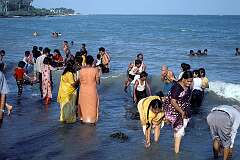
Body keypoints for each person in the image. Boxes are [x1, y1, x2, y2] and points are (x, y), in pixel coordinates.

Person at [163, 71, 193, 153]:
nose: (190, 83)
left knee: (178, 129)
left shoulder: (187, 86)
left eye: (191, 81)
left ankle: (175, 146)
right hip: (173, 110)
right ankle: (176, 153)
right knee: (180, 130)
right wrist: (182, 112)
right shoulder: (177, 87)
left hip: (183, 109)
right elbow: (173, 102)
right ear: (183, 79)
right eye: (188, 81)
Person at [78, 55, 100, 124]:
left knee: (83, 105)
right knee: (93, 105)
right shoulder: (95, 70)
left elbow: (80, 81)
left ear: (85, 61)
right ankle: (92, 121)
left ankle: (82, 119)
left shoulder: (81, 70)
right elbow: (98, 82)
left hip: (83, 90)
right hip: (92, 90)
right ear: (92, 61)